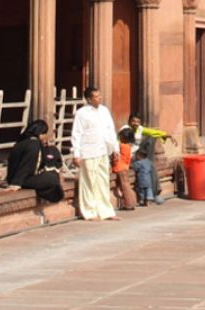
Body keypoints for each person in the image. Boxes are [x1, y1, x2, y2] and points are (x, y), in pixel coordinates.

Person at [70, 86, 119, 221]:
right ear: (89, 99)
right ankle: (89, 211)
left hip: (103, 149)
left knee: (103, 181)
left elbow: (110, 130)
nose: (100, 98)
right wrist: (76, 153)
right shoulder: (82, 113)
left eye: (99, 95)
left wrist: (115, 148)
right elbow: (77, 134)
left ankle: (106, 211)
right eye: (96, 96)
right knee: (89, 181)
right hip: (88, 151)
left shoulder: (104, 111)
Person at [4, 119, 65, 205]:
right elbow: (26, 165)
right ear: (40, 133)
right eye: (45, 133)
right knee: (52, 178)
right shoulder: (33, 144)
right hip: (21, 179)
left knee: (53, 175)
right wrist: (16, 184)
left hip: (21, 177)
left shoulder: (27, 140)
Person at [128, 113, 174, 206]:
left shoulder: (140, 129)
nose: (135, 124)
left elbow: (153, 132)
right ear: (129, 122)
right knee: (148, 167)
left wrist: (167, 135)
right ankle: (151, 195)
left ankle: (151, 195)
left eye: (138, 122)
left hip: (139, 156)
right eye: (133, 121)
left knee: (151, 138)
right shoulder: (126, 131)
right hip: (130, 157)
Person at [112, 126, 138, 211]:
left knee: (125, 186)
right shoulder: (128, 146)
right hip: (125, 167)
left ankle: (129, 204)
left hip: (120, 168)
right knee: (127, 185)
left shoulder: (121, 146)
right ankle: (132, 202)